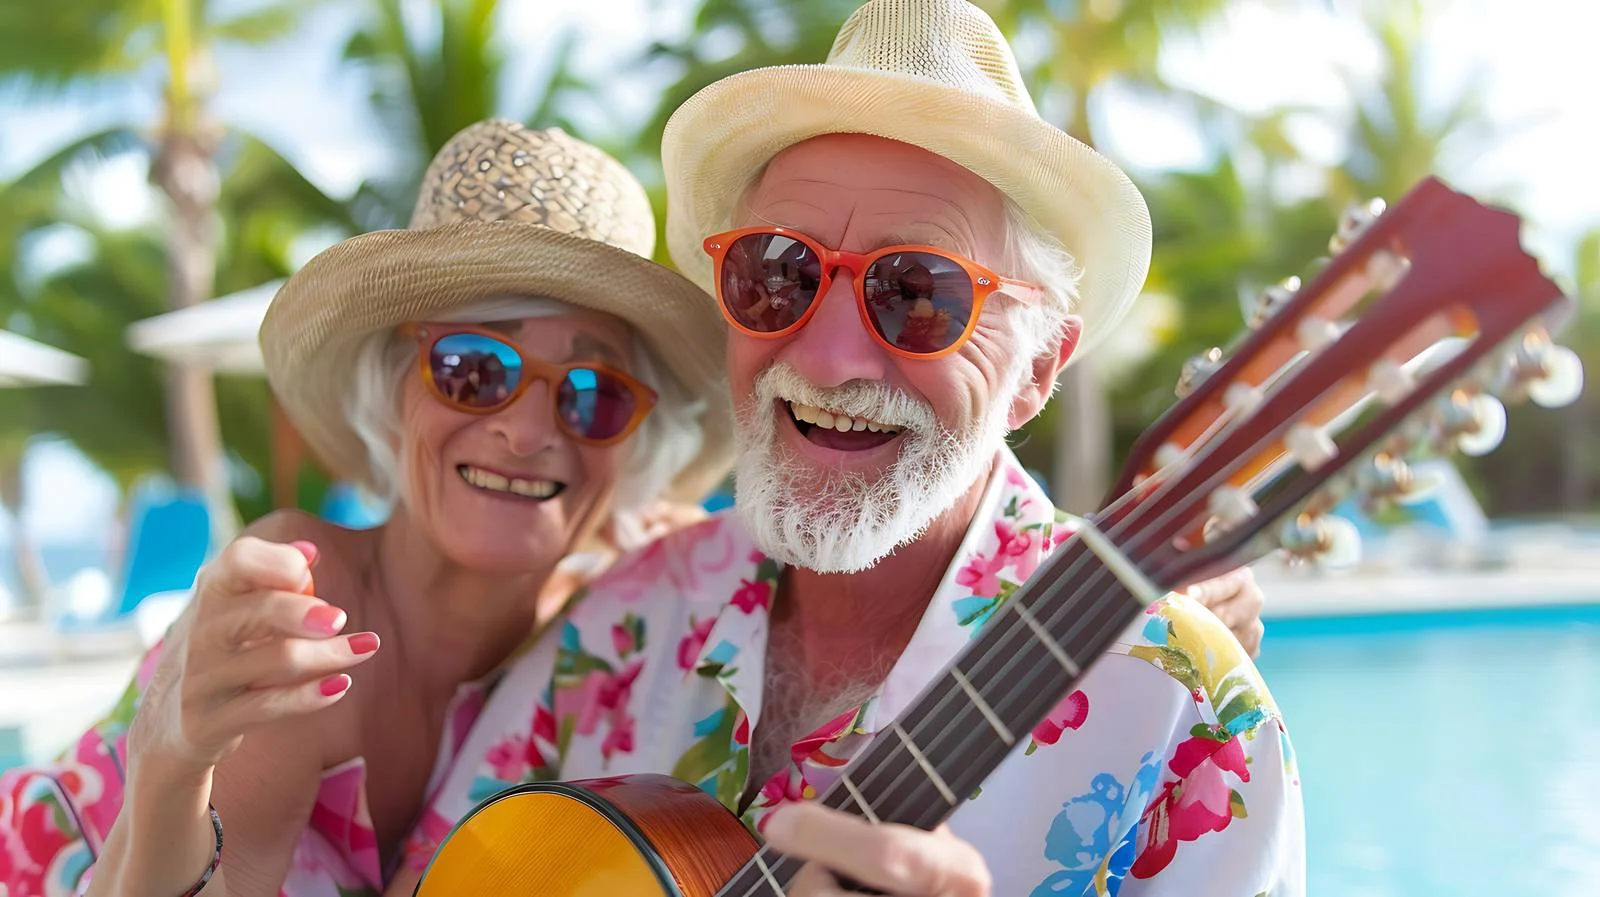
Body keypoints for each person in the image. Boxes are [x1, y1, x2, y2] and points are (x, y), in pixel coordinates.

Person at [408, 2, 1299, 896]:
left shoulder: (1181, 707)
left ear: (1037, 368)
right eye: (778, 273)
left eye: (919, 292)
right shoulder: (623, 621)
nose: (828, 361)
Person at [0, 120, 735, 897]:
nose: (525, 430)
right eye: (473, 368)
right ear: (392, 389)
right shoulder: (304, 600)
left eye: (594, 393)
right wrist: (169, 766)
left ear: (633, 443)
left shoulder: (622, 620)